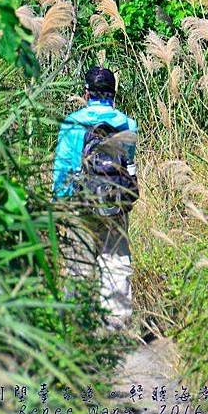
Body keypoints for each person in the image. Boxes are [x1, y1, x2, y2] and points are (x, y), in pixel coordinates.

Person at [52, 67, 138, 329]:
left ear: (86, 93)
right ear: (113, 94)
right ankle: (116, 325)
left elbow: (63, 169)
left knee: (78, 260)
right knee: (115, 259)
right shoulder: (127, 123)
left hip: (79, 202)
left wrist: (59, 204)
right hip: (114, 202)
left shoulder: (73, 122)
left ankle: (77, 325)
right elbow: (128, 166)